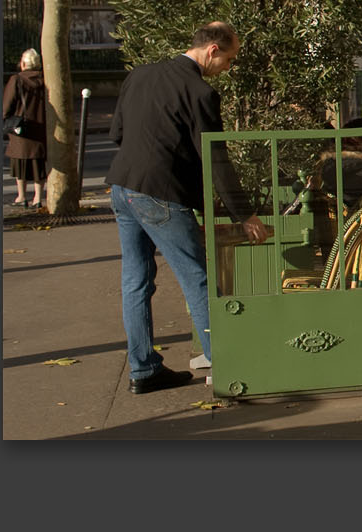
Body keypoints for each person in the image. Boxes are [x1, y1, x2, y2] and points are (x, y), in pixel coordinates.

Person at [106, 21, 271, 395]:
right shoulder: (200, 93)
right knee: (196, 277)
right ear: (212, 50)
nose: (229, 67)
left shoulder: (140, 75)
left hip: (122, 188)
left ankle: (143, 368)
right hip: (160, 194)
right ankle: (226, 363)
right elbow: (217, 160)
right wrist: (243, 213)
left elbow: (117, 133)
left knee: (135, 282)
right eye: (229, 59)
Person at [2, 48, 48, 208]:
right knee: (38, 164)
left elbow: (7, 105)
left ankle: (21, 196)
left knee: (20, 163)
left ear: (23, 64)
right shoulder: (45, 79)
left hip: (21, 129)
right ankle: (38, 198)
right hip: (41, 127)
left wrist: (5, 118)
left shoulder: (17, 79)